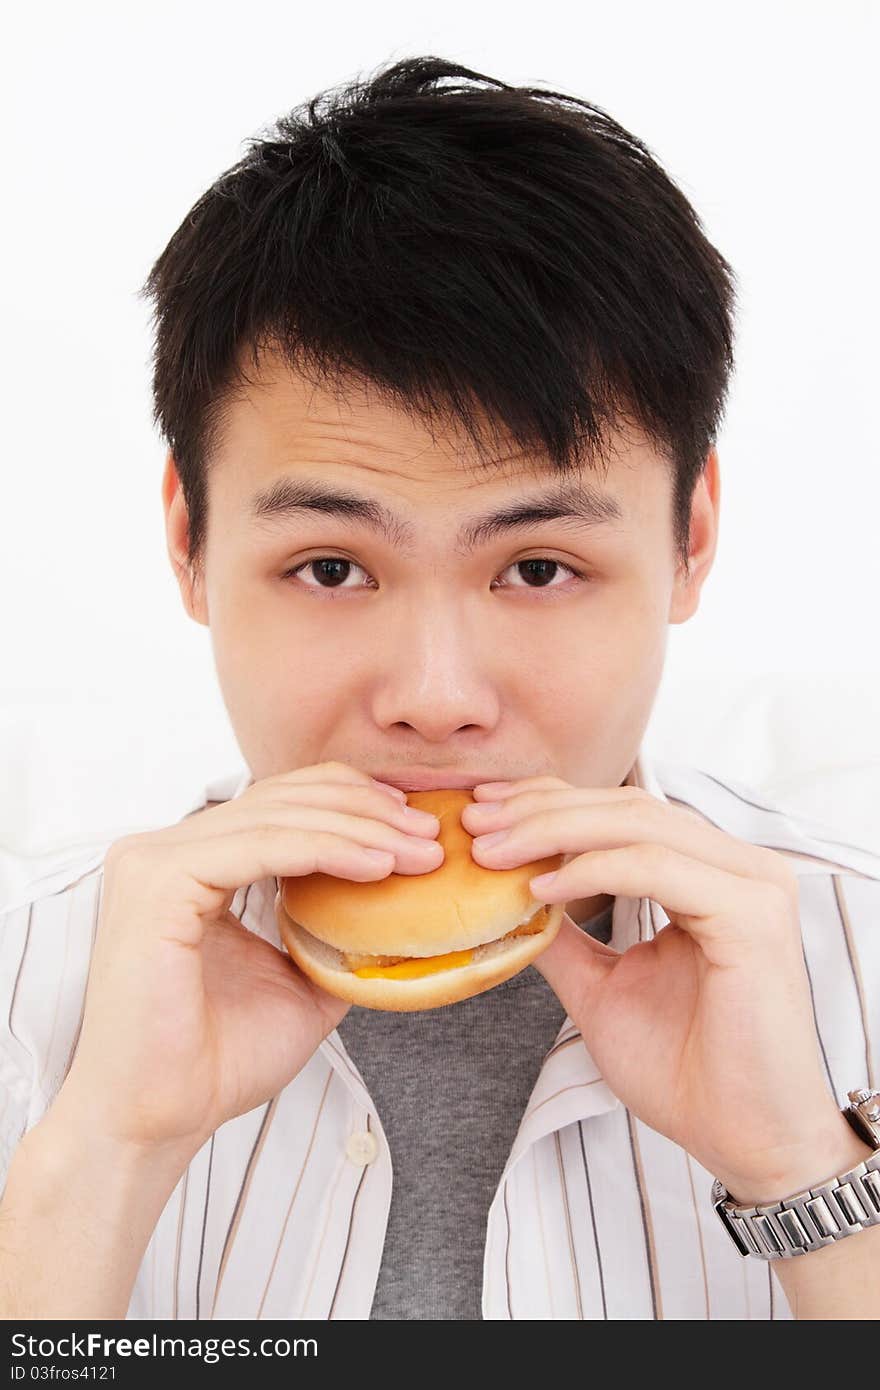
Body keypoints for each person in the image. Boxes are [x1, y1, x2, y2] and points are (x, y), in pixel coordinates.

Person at [1, 54, 878, 1322]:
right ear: (189, 544)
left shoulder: (856, 968)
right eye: (329, 565)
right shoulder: (35, 985)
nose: (434, 696)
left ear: (689, 541)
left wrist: (805, 1172)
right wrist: (107, 1153)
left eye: (536, 565)